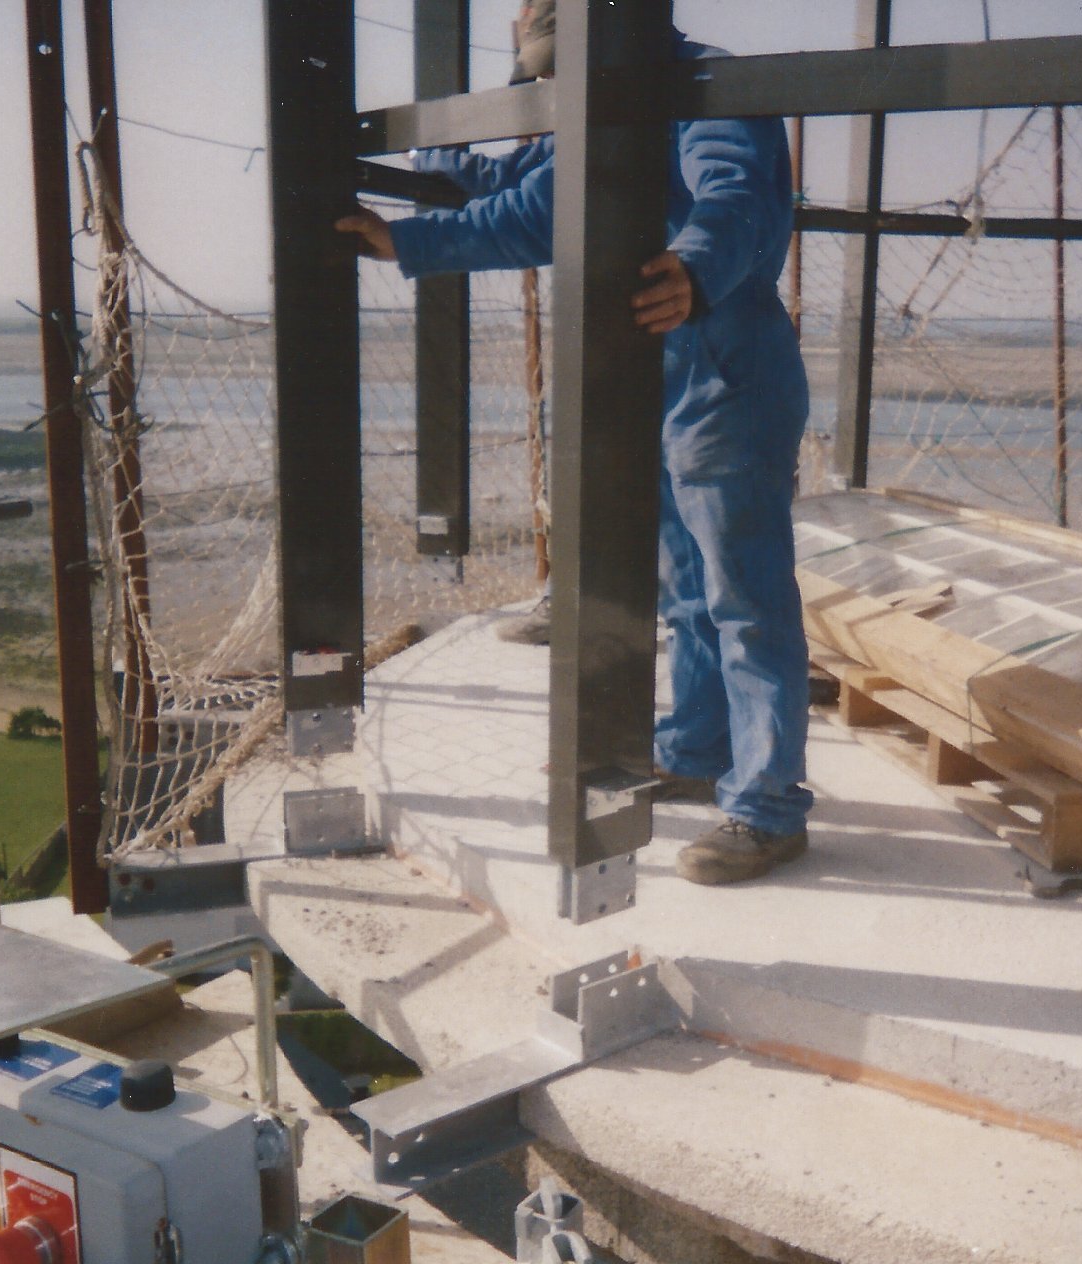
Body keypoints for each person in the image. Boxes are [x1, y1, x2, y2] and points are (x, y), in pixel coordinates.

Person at [336, 0, 814, 887]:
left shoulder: (707, 88)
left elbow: (737, 195)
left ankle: (768, 804)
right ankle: (701, 749)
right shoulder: (592, 105)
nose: (554, 88)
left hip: (726, 372)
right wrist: (405, 232)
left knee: (745, 598)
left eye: (560, 68)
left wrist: (696, 266)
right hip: (651, 375)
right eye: (544, 73)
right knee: (683, 589)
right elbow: (525, 206)